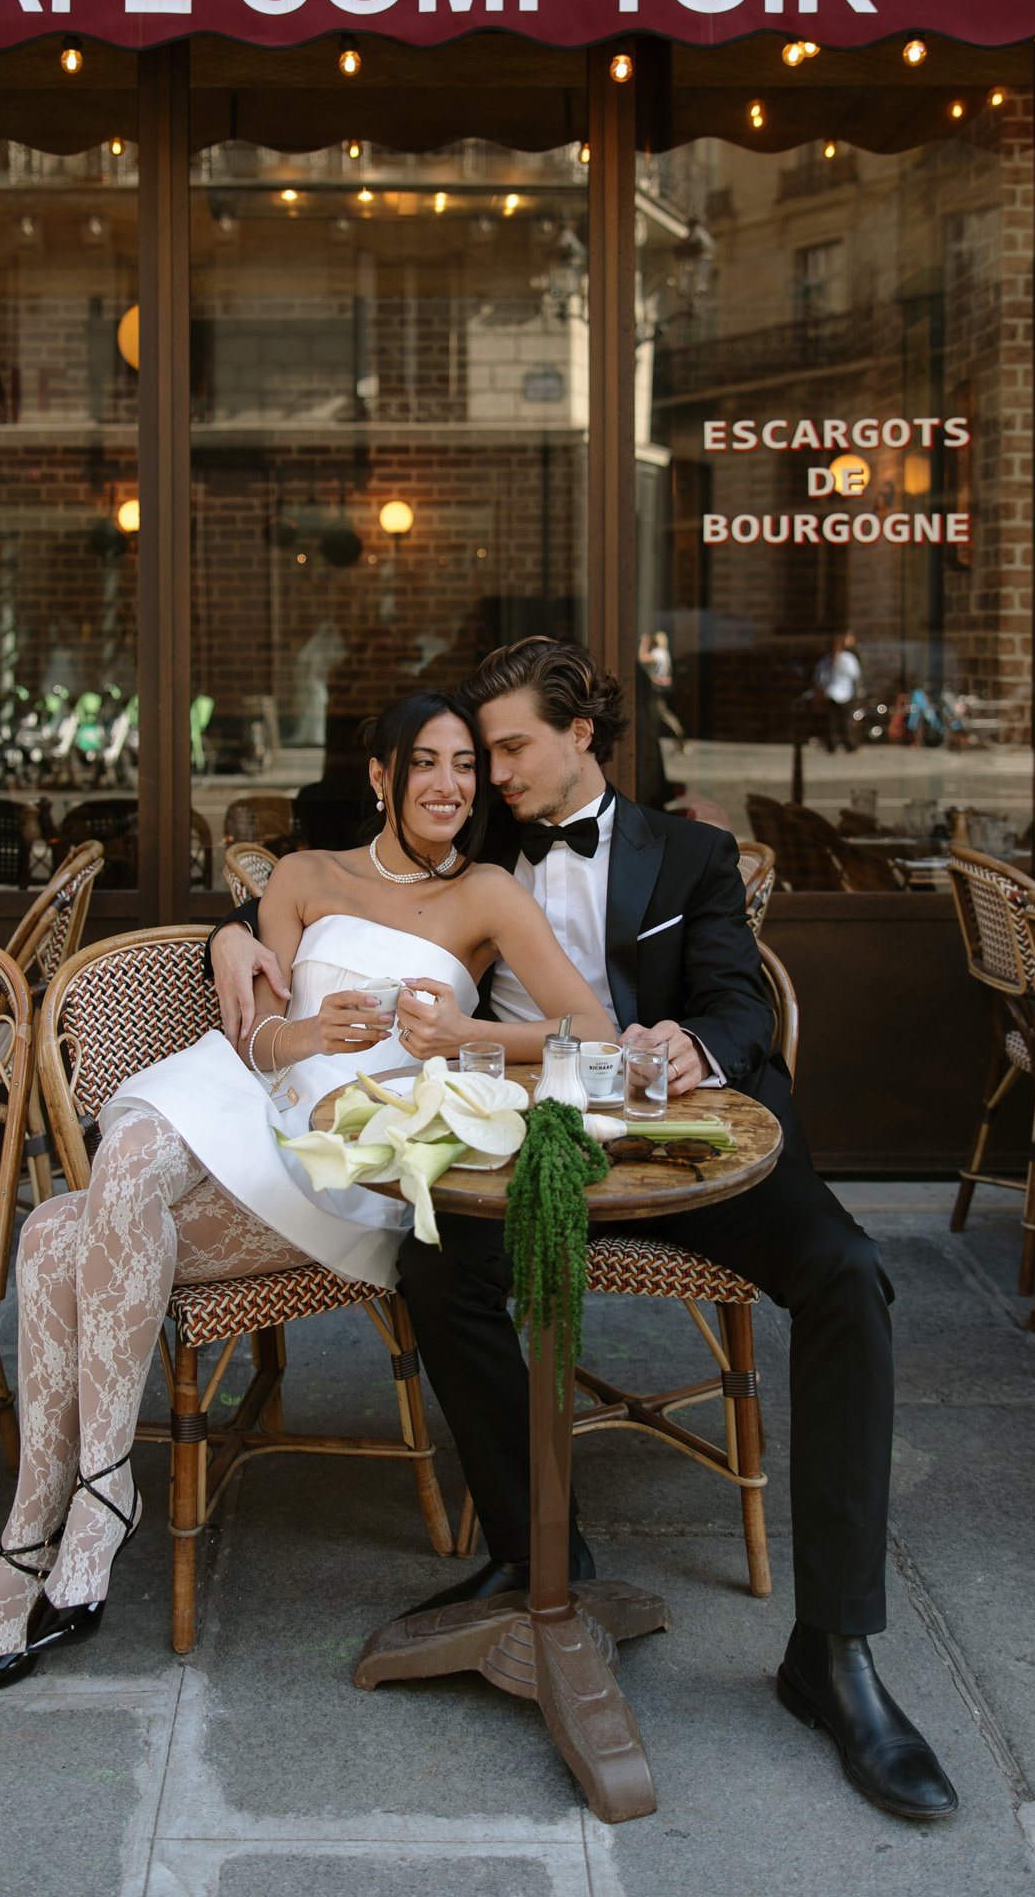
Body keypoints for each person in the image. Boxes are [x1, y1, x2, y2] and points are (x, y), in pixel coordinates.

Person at [210, 638, 958, 1824]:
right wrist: (232, 932)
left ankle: (834, 1648)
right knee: (435, 1266)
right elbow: (333, 888)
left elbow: (738, 1000)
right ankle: (535, 1552)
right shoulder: (469, 848)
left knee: (847, 1274)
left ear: (581, 737)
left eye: (510, 748)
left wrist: (690, 1044)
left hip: (678, 1129)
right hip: (510, 1136)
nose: (490, 774)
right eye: (479, 754)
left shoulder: (692, 854)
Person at [0, 688, 613, 1707]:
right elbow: (257, 1039)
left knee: (55, 1234)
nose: (450, 784)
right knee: (129, 1150)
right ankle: (93, 1502)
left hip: (347, 1157)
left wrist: (464, 1036)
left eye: (466, 765)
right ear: (379, 776)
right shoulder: (301, 875)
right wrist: (311, 1031)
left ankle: (37, 1543)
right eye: (425, 762)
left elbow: (592, 1033)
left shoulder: (488, 894)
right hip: (252, 1097)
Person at [814, 630, 862, 752]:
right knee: (845, 720)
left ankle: (832, 743)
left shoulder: (825, 660)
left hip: (831, 693)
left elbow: (820, 679)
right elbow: (855, 675)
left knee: (832, 720)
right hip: (845, 693)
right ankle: (848, 742)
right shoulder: (848, 659)